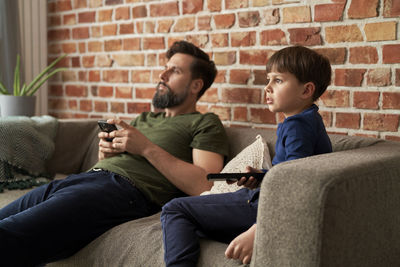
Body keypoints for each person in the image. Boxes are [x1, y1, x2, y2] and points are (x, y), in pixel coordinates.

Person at [0, 41, 230, 266]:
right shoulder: (145, 119)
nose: (163, 74)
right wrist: (107, 154)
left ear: (195, 86)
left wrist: (146, 148)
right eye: (165, 67)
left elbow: (207, 185)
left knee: (10, 235)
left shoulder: (205, 122)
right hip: (84, 179)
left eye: (175, 70)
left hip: (122, 191)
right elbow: (121, 161)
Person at [160, 45, 333, 266]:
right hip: (263, 197)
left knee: (175, 209)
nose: (268, 87)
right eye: (268, 79)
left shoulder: (297, 125)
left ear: (306, 90)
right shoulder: (307, 120)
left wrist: (260, 228)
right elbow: (288, 172)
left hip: (263, 206)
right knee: (196, 218)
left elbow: (295, 184)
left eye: (278, 80)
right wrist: (259, 176)